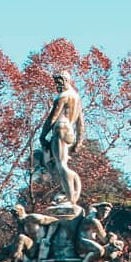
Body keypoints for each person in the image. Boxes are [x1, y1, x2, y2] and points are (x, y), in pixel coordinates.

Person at [38, 71, 85, 205]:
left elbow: (52, 118)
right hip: (69, 132)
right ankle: (66, 192)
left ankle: (70, 197)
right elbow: (80, 122)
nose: (57, 86)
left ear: (66, 81)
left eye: (59, 82)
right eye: (56, 83)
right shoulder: (76, 97)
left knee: (61, 164)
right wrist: (79, 141)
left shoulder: (63, 96)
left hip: (60, 129)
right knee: (52, 163)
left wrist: (42, 136)